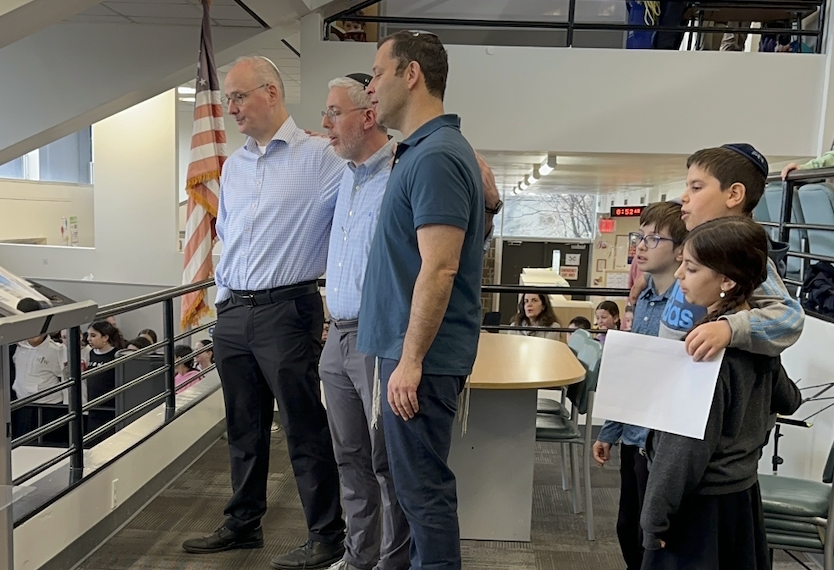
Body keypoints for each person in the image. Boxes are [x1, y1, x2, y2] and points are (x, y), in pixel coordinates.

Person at [181, 55, 347, 570]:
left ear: (271, 93)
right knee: (243, 426)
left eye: (238, 96)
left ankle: (327, 534)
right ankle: (243, 522)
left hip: (287, 309)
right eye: (227, 99)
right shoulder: (234, 165)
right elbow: (229, 236)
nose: (230, 108)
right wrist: (223, 301)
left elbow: (376, 172)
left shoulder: (321, 157)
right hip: (234, 311)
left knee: (303, 427)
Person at [357, 30, 484, 570]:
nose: (370, 88)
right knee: (408, 487)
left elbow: (440, 267)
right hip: (403, 351)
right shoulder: (421, 152)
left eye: (377, 74)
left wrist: (409, 361)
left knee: (423, 493)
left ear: (411, 75)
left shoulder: (435, 155)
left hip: (419, 358)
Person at [641, 216, 802, 570]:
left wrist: (653, 519)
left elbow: (682, 452)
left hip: (700, 511)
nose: (679, 275)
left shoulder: (708, 352)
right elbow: (789, 398)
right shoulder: (758, 340)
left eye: (691, 268)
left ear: (727, 280)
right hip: (740, 498)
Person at [319, 73, 410, 570]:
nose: (325, 123)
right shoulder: (343, 176)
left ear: (369, 116)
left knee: (385, 463)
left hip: (378, 337)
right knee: (348, 457)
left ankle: (391, 564)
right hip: (336, 337)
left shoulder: (402, 172)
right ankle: (358, 558)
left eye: (334, 112)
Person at [592, 201, 687, 570]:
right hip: (633, 434)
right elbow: (633, 374)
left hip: (660, 441)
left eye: (654, 239)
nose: (641, 246)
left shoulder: (686, 305)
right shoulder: (644, 298)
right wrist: (610, 430)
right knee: (627, 526)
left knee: (654, 535)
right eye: (640, 237)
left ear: (680, 250)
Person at [654, 144, 803, 360]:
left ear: (734, 194)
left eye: (696, 188)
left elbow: (789, 317)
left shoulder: (740, 253)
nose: (684, 197)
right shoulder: (701, 243)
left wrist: (729, 328)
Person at [11, 298, 65, 442]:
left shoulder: (56, 351)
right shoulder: (17, 347)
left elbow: (66, 378)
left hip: (48, 408)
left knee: (47, 445)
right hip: (22, 405)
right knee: (22, 445)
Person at [86, 320, 125, 444]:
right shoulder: (91, 353)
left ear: (105, 337)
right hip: (93, 407)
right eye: (88, 335)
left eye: (93, 335)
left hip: (110, 409)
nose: (88, 339)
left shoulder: (116, 355)